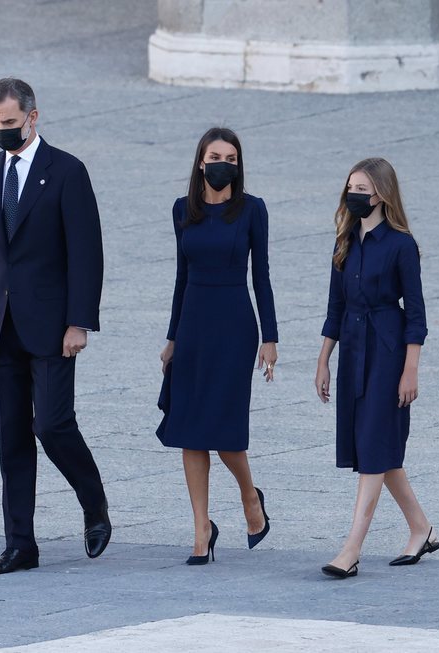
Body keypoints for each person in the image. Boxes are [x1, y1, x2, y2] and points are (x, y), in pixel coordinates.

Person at [0, 78, 110, 575]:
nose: (2, 132)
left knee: (52, 423)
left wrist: (80, 321)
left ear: (33, 117)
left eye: (10, 123)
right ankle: (21, 543)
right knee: (13, 437)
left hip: (52, 326)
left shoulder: (66, 171)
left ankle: (94, 503)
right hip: (2, 324)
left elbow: (87, 254)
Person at [157, 127, 279, 566]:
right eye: (215, 155)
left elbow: (260, 276)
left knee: (225, 430)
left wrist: (271, 337)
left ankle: (250, 496)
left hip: (234, 325)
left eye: (231, 156)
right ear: (201, 162)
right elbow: (180, 277)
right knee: (191, 430)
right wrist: (172, 338)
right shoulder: (181, 210)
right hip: (193, 325)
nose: (223, 162)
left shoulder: (251, 210)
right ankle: (201, 529)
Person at [314, 157, 439, 579]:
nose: (354, 195)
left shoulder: (402, 245)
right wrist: (323, 359)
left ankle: (351, 549)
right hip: (352, 351)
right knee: (376, 449)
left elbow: (417, 315)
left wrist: (411, 370)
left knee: (373, 449)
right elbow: (335, 306)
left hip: (387, 353)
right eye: (350, 187)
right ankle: (421, 528)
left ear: (381, 194)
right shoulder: (344, 241)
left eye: (362, 189)